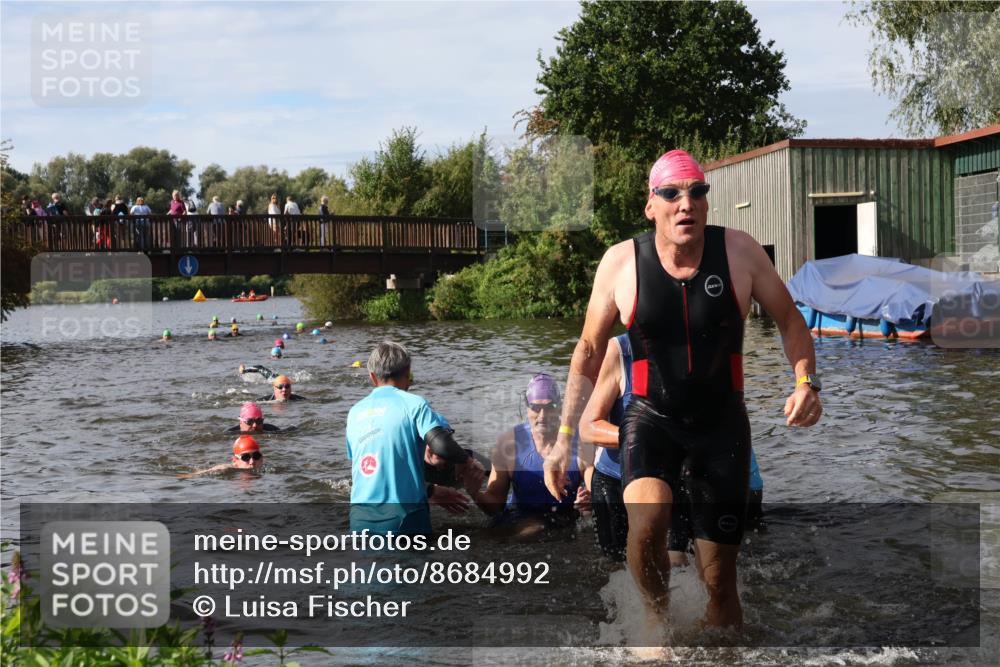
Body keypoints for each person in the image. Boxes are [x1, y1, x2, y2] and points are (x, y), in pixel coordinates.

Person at [544, 149, 822, 631]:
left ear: (707, 202)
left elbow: (791, 320)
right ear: (651, 205)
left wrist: (806, 381)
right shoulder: (620, 264)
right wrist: (566, 433)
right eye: (671, 193)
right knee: (647, 524)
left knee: (721, 584)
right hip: (651, 421)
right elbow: (588, 348)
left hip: (721, 428)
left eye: (697, 191)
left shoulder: (739, 252)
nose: (685, 202)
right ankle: (655, 620)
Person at [580, 334, 765, 564]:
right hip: (614, 479)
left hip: (671, 480)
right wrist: (645, 439)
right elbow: (588, 428)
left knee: (676, 562)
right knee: (616, 568)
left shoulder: (704, 353)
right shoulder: (622, 350)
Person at [345, 341, 483, 534]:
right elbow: (441, 444)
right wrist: (468, 460)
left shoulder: (354, 412)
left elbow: (374, 472)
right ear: (408, 372)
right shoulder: (414, 404)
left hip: (360, 520)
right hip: (405, 519)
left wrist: (430, 491)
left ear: (372, 377)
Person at [469, 373, 590, 539]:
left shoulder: (580, 443)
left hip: (567, 518)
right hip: (520, 518)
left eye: (550, 407)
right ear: (526, 407)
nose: (542, 416)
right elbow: (495, 506)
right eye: (535, 408)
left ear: (561, 407)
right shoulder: (509, 443)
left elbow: (598, 491)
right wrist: (475, 493)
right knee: (536, 529)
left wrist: (590, 501)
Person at [180, 435, 264, 478]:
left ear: (262, 458)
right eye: (246, 457)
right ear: (235, 461)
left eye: (256, 456)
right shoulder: (226, 469)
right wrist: (188, 476)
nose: (252, 461)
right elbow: (202, 474)